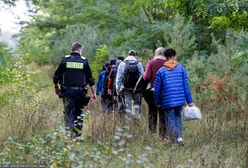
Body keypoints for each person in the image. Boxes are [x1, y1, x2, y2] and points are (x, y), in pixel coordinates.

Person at [53, 42, 96, 138]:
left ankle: (69, 136)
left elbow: (56, 76)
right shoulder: (84, 61)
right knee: (79, 113)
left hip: (67, 92)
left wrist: (56, 87)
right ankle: (77, 137)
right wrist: (94, 92)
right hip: (80, 93)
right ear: (80, 50)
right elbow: (90, 78)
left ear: (72, 49)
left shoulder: (64, 61)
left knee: (69, 113)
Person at [154, 48, 194, 144]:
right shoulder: (181, 68)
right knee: (177, 118)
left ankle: (174, 142)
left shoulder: (161, 71)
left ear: (165, 57)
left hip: (167, 102)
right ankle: (179, 138)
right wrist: (190, 101)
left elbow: (157, 90)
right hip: (179, 101)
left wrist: (158, 102)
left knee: (170, 120)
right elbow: (186, 86)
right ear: (175, 56)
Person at [143, 47, 167, 138]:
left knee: (152, 113)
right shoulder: (167, 64)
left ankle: (152, 134)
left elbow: (146, 77)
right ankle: (163, 135)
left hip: (153, 91)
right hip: (165, 92)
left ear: (156, 54)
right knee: (163, 114)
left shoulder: (151, 63)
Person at [116, 50, 144, 118]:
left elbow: (119, 78)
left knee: (128, 106)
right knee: (137, 105)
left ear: (128, 55)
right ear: (135, 55)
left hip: (126, 89)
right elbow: (143, 76)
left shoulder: (122, 64)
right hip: (137, 89)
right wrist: (143, 89)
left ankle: (129, 121)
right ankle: (136, 121)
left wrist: (118, 90)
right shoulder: (139, 64)